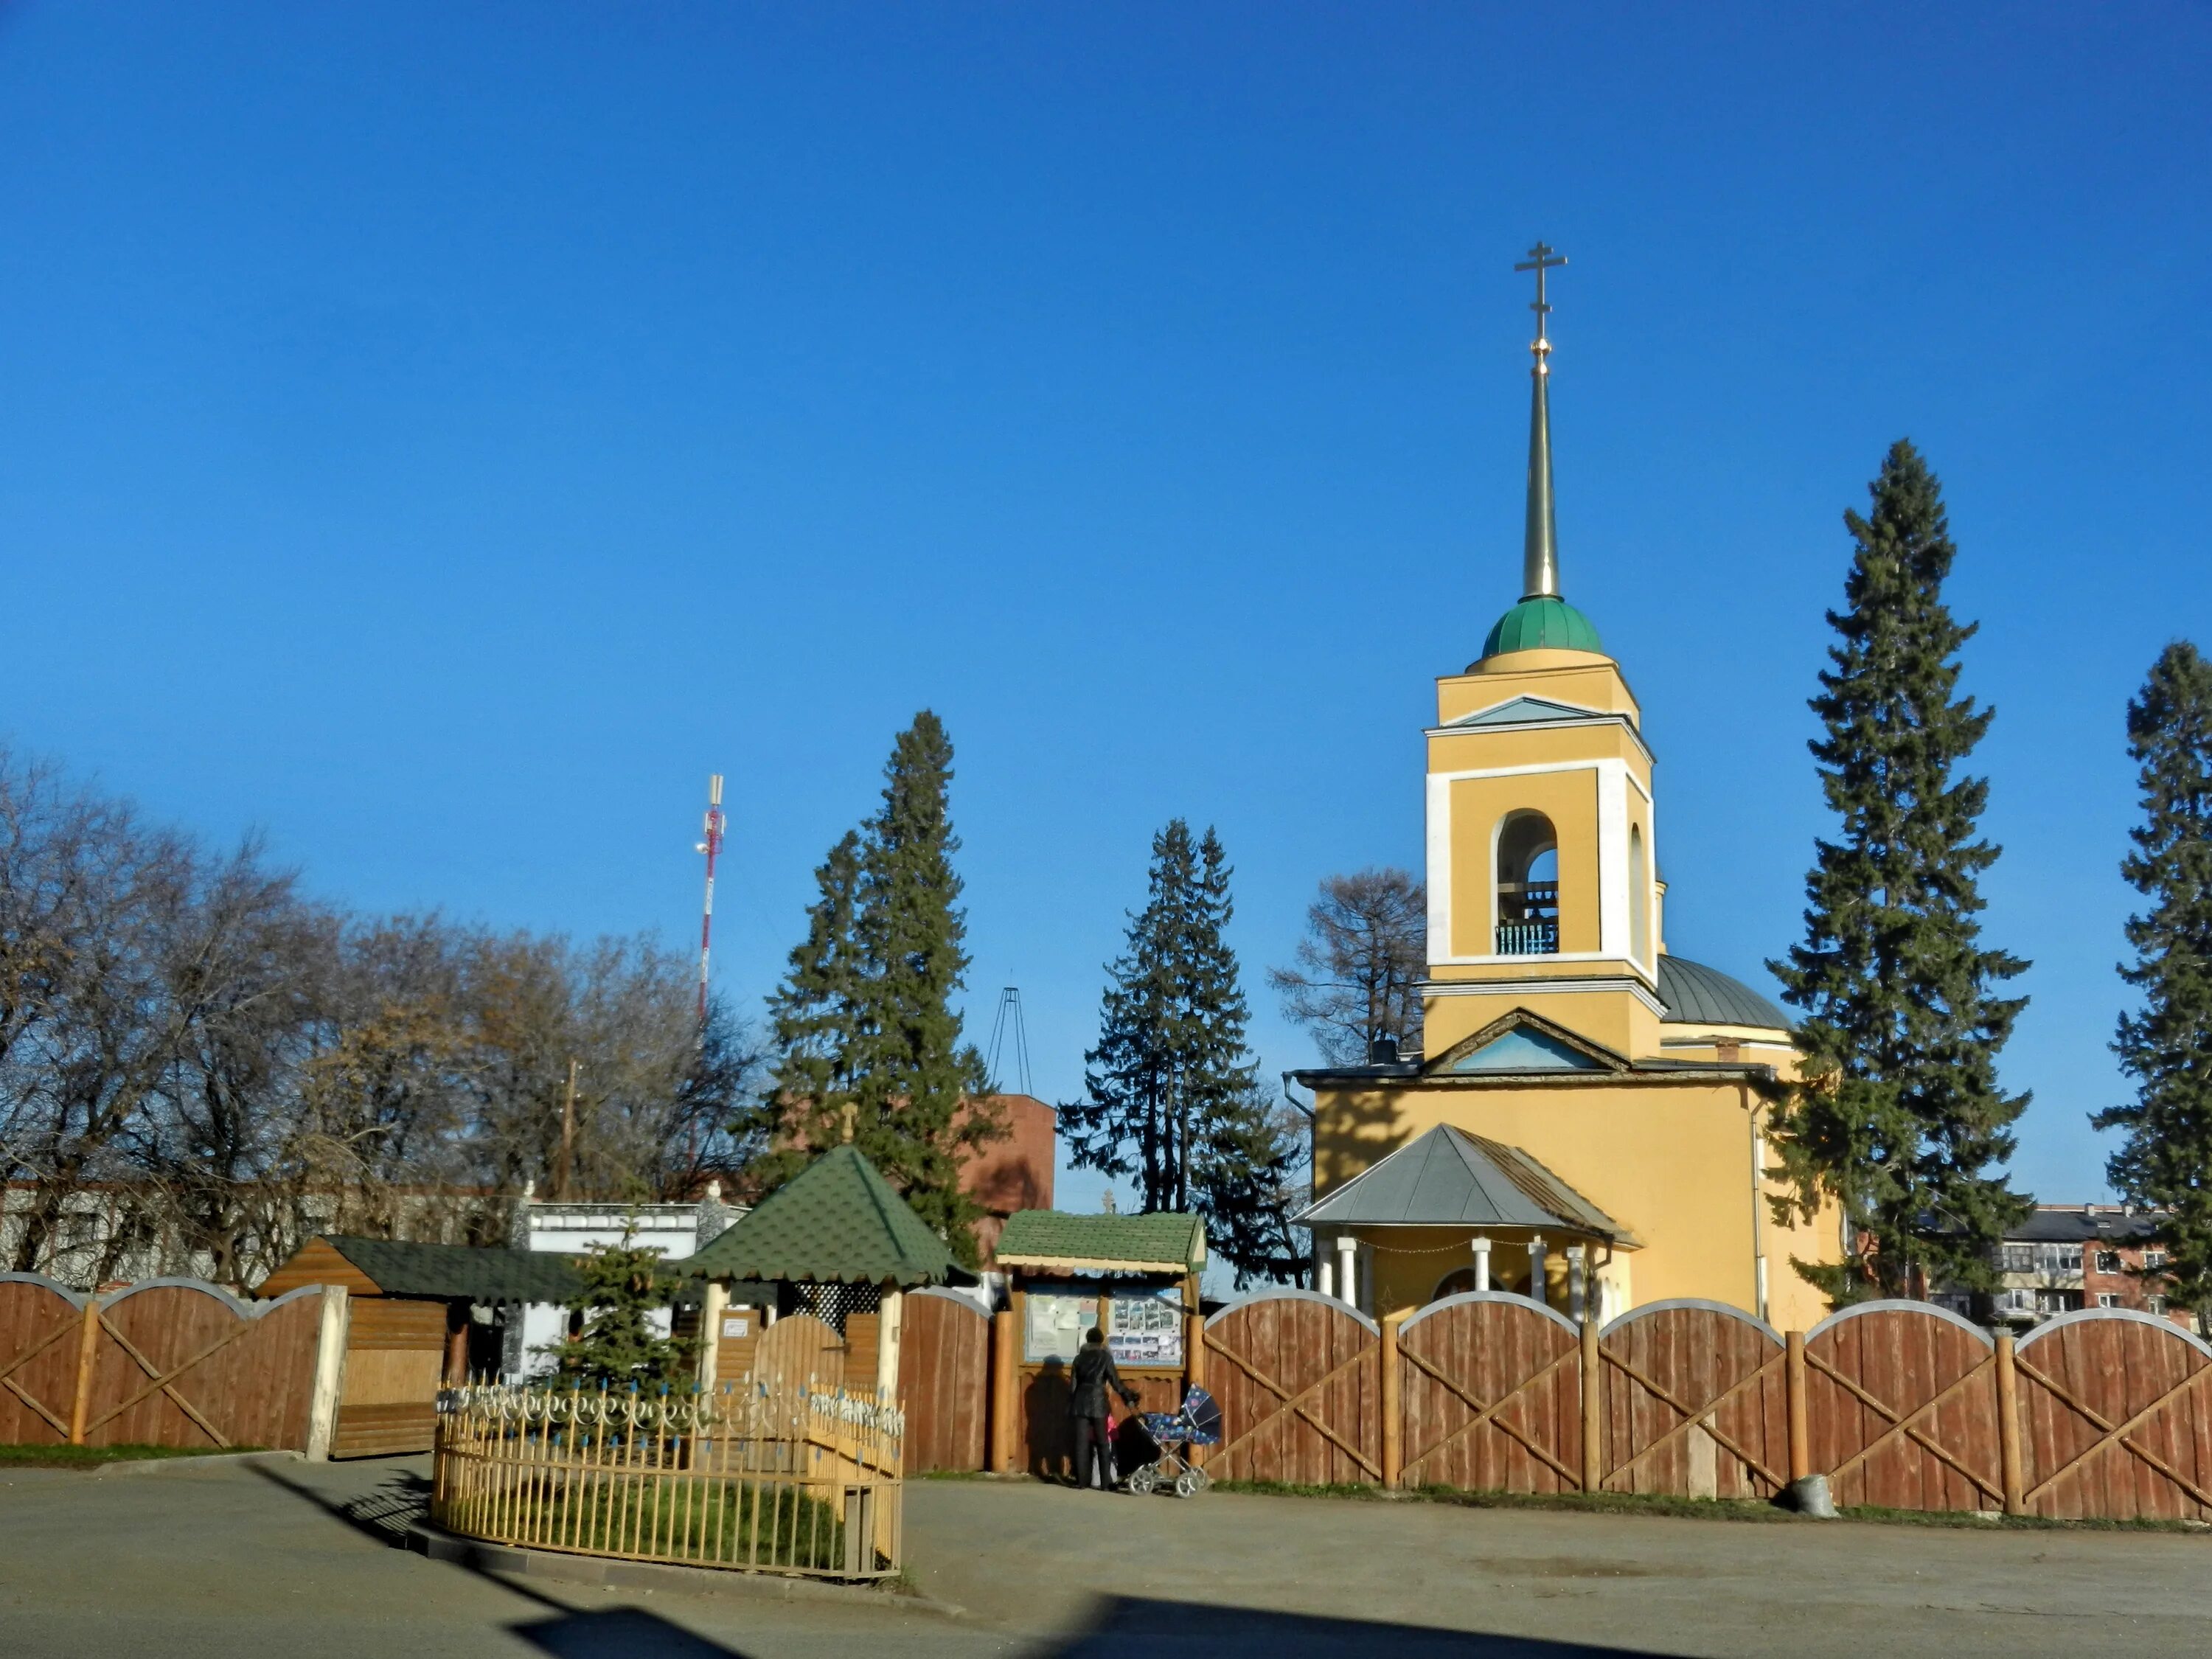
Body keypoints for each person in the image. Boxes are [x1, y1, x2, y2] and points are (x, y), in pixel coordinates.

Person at [1068, 1325, 1137, 1490]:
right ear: (1101, 1341)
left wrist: (1074, 1403)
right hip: (1099, 1403)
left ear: (1087, 1340)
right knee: (1103, 1443)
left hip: (1080, 1403)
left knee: (1081, 1444)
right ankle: (1106, 1483)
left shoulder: (1078, 1359)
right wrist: (1128, 1397)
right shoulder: (1105, 1358)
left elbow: (1073, 1387)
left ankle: (1081, 1482)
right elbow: (1115, 1382)